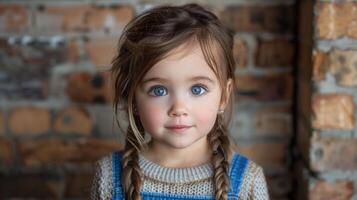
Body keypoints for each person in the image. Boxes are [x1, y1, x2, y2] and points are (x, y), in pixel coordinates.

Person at [91, 3, 269, 200]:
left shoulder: (248, 181)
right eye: (159, 90)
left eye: (197, 89)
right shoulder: (109, 176)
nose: (179, 109)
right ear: (132, 98)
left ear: (224, 97)